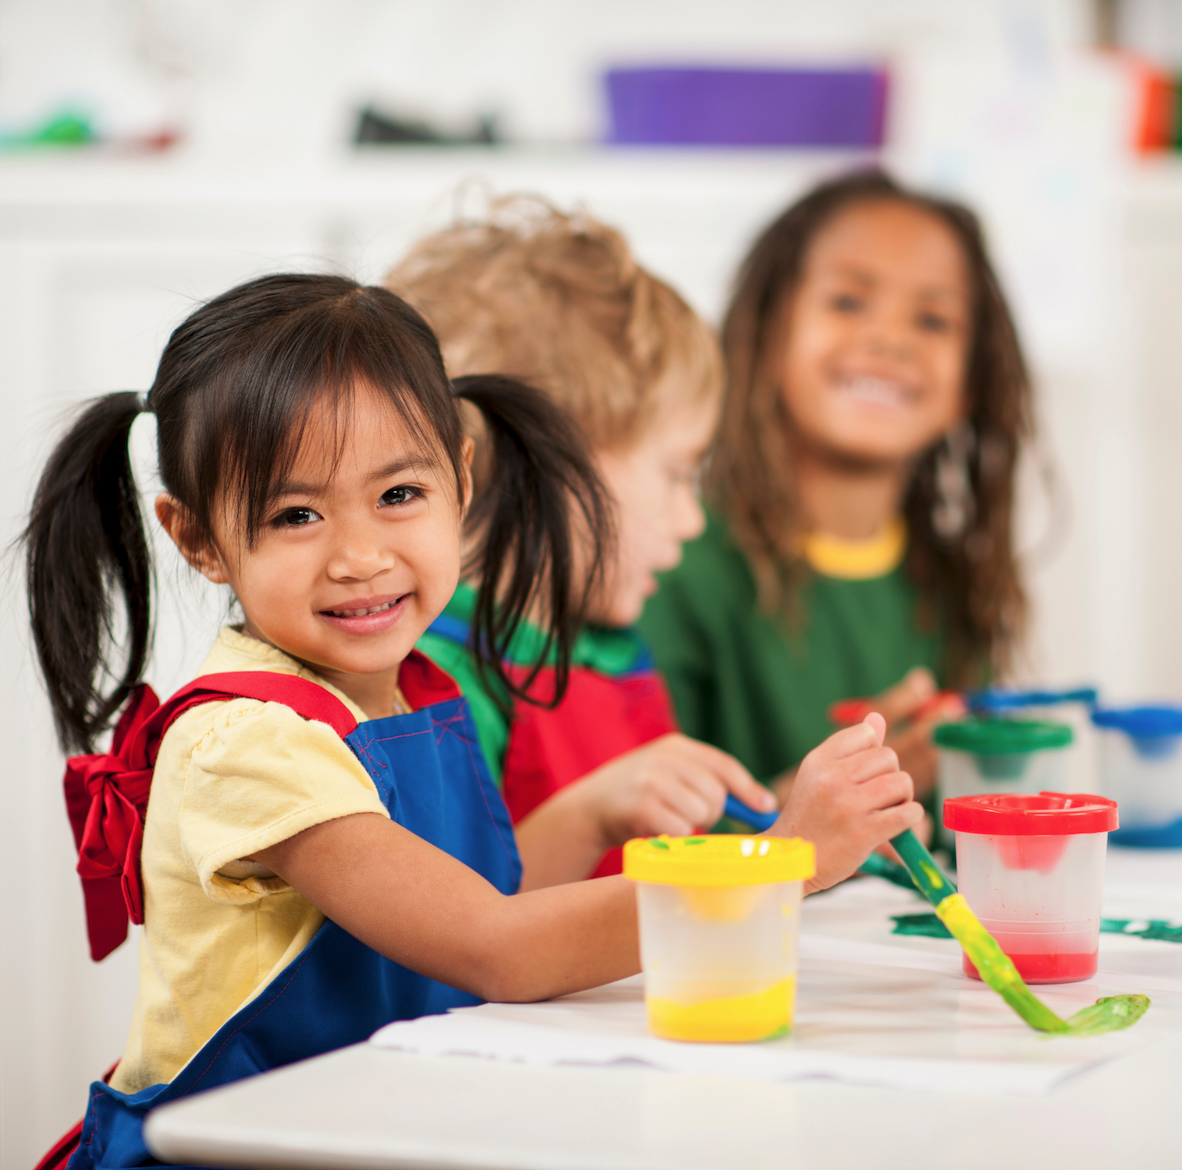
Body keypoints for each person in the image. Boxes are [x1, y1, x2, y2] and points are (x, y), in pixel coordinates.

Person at [25, 273, 922, 1169]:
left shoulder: (408, 687)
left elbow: (453, 910)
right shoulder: (249, 743)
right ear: (197, 538)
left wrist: (591, 812)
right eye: (295, 514)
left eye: (399, 495)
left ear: (458, 477)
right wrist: (784, 865)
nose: (362, 556)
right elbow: (494, 946)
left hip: (375, 1128)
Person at [388, 197, 775, 888]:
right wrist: (589, 817)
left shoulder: (608, 652)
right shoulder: (430, 681)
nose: (693, 519)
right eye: (678, 474)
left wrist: (807, 827)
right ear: (554, 463)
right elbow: (449, 931)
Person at [638, 170, 1031, 807]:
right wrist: (834, 799)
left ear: (971, 383)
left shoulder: (955, 583)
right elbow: (638, 851)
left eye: (932, 320)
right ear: (767, 335)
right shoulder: (673, 569)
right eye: (848, 302)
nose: (889, 339)